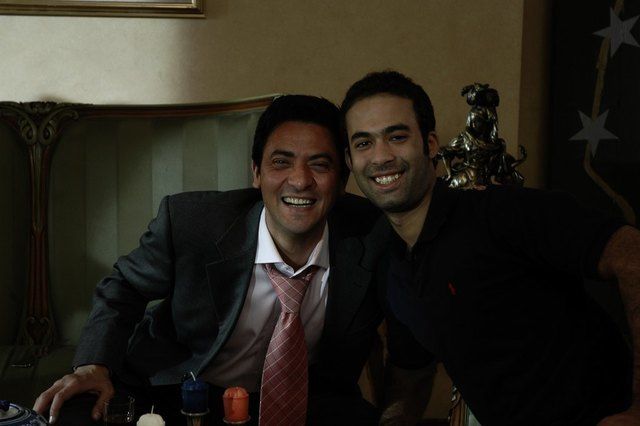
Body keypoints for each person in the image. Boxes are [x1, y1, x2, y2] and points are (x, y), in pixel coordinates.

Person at [34, 95, 384, 425]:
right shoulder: (192, 222)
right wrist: (93, 365)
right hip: (180, 393)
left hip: (308, 404)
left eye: (319, 164)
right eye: (281, 162)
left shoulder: (374, 234)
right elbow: (124, 287)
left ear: (342, 180)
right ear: (256, 172)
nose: (300, 180)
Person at [341, 70, 639, 425]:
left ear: (431, 144)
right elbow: (411, 373)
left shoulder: (499, 212)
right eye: (364, 143)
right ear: (350, 161)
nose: (380, 156)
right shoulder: (391, 268)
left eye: (397, 136)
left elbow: (630, 252)